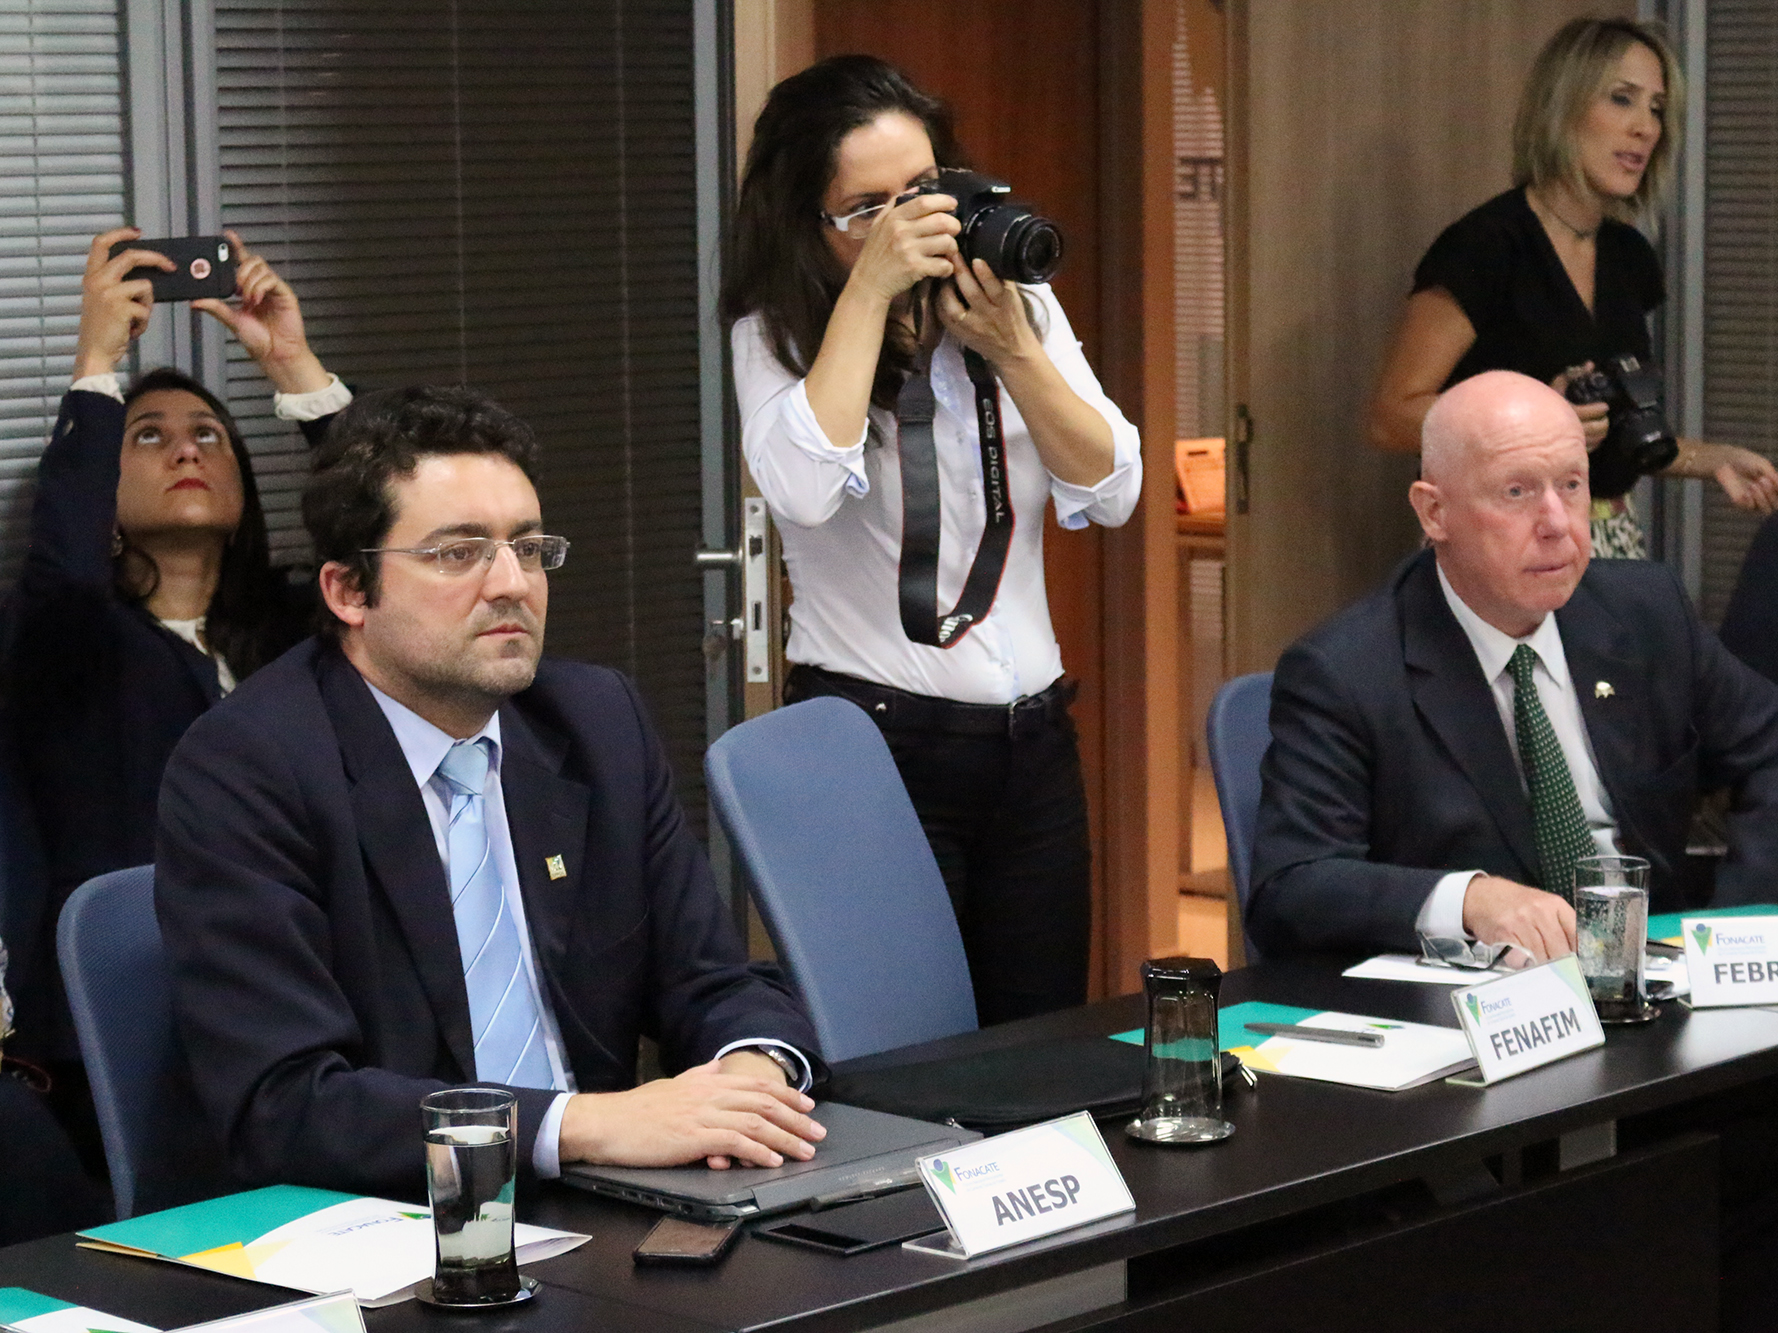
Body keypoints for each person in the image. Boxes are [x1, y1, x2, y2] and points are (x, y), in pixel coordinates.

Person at [155, 386, 825, 1200]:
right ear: (348, 592)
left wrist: (749, 1075)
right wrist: (582, 1124)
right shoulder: (248, 766)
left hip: (606, 1204)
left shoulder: (593, 723)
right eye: (458, 552)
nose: (513, 583)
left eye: (529, 547)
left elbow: (715, 981)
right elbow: (288, 1104)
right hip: (384, 1226)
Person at [721, 56, 1141, 1025]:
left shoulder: (1015, 307)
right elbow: (800, 485)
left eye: (921, 193)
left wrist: (1014, 350)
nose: (907, 226)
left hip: (1031, 744)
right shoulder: (774, 334)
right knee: (907, 1048)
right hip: (877, 741)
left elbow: (1112, 485)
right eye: (866, 208)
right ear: (805, 224)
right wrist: (869, 298)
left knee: (1038, 1042)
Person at [0, 226, 350, 1154]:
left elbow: (389, 549)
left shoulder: (298, 632)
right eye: (145, 437)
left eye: (208, 436)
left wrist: (295, 367)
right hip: (126, 1024)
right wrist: (97, 365)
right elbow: (66, 573)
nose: (184, 450)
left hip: (311, 998)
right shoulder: (71, 641)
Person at [1249, 370, 1778, 962]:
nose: (1557, 523)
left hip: (1654, 978)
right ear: (1434, 513)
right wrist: (1471, 900)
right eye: (1516, 493)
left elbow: (1770, 741)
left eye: (1571, 485)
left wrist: (1738, 923)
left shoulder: (1646, 612)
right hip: (1485, 1009)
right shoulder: (1346, 672)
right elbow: (1291, 887)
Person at [1368, 17, 1778, 559]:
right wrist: (1533, 422)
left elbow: (1615, 433)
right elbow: (1392, 417)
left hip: (1605, 539)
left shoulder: (1629, 258)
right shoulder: (1486, 247)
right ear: (1563, 107)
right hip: (1497, 546)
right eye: (1622, 99)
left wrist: (1714, 459)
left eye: (1656, 108)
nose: (1646, 128)